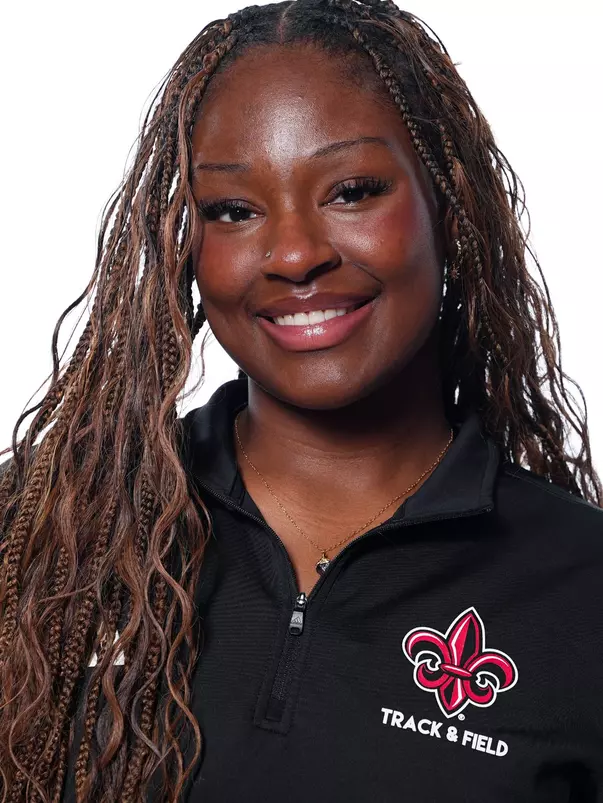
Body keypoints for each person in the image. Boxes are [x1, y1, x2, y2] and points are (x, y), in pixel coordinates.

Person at [0, 0, 602, 800]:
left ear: (447, 210)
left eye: (351, 190)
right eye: (233, 210)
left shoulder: (580, 587)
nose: (293, 254)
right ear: (186, 245)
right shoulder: (45, 537)